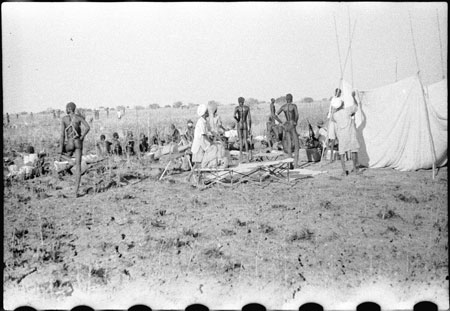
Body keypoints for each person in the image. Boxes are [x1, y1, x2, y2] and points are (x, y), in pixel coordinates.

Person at [59, 102, 90, 196]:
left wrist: (60, 149)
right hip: (78, 142)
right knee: (78, 167)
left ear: (69, 108)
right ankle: (75, 192)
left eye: (66, 108)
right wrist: (82, 137)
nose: (65, 109)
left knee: (61, 154)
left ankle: (69, 161)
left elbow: (62, 135)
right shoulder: (78, 117)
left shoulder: (64, 119)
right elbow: (88, 127)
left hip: (69, 143)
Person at [332, 91, 361, 176]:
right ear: (341, 104)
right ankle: (355, 169)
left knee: (342, 153)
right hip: (350, 133)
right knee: (354, 151)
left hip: (342, 135)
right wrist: (353, 97)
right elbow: (356, 106)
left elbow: (333, 119)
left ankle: (344, 171)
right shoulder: (347, 110)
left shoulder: (335, 115)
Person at [274, 93, 300, 168]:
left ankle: (290, 164)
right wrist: (295, 122)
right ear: (291, 99)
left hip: (286, 125)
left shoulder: (283, 107)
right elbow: (297, 115)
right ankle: (295, 164)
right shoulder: (294, 106)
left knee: (289, 144)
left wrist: (281, 123)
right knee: (296, 144)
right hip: (292, 124)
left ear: (286, 99)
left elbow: (275, 115)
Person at [233, 97, 252, 162]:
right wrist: (250, 127)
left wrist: (237, 119)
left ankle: (240, 158)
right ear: (243, 101)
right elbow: (249, 118)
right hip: (245, 124)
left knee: (241, 141)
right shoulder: (247, 108)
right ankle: (247, 158)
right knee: (246, 140)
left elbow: (234, 116)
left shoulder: (237, 108)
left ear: (238, 101)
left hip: (239, 124)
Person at [326, 88, 342, 162]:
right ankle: (331, 157)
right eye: (336, 92)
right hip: (332, 120)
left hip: (338, 121)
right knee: (332, 139)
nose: (337, 94)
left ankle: (342, 156)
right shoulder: (333, 99)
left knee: (340, 138)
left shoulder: (341, 100)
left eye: (339, 93)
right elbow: (331, 109)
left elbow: (338, 108)